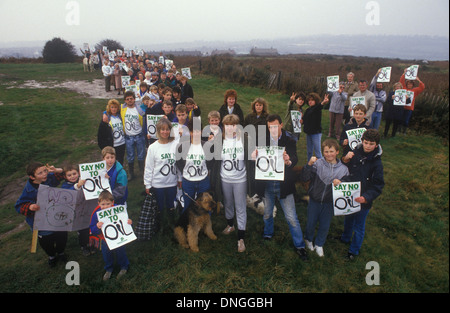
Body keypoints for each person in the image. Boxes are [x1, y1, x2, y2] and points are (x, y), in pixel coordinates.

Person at [252, 114, 308, 261]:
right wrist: (254, 156)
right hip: (267, 184)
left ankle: (300, 245)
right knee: (267, 213)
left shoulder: (289, 140)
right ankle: (268, 233)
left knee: (291, 217)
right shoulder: (262, 139)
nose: (273, 129)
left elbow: (294, 158)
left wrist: (288, 160)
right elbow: (257, 160)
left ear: (281, 125)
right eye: (270, 127)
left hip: (284, 184)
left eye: (275, 126)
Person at [299, 139, 349, 257]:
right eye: (326, 151)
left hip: (329, 202)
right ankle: (308, 239)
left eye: (331, 151)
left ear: (337, 152)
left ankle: (319, 244)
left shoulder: (344, 169)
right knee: (311, 222)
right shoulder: (317, 164)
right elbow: (304, 177)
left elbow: (347, 186)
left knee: (325, 225)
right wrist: (309, 165)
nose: (329, 154)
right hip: (314, 200)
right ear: (322, 152)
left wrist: (341, 182)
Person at [340, 129, 385, 260]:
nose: (368, 146)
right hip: (350, 195)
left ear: (376, 145)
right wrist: (345, 159)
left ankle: (353, 251)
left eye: (371, 144)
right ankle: (345, 238)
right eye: (366, 142)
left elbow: (378, 185)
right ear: (362, 141)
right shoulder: (355, 153)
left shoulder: (377, 163)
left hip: (364, 200)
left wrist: (366, 197)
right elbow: (343, 166)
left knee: (359, 226)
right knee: (348, 218)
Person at [15, 162, 68, 267]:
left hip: (56, 215)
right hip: (41, 222)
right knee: (46, 241)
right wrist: (30, 206)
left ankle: (61, 252)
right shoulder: (29, 190)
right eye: (40, 173)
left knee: (62, 235)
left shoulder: (48, 178)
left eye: (45, 171)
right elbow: (19, 206)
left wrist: (57, 170)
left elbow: (66, 174)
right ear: (32, 177)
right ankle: (52, 255)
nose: (44, 174)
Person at [212, 114, 249, 252]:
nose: (229, 128)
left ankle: (241, 238)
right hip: (225, 178)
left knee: (240, 207)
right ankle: (230, 225)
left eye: (232, 125)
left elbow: (252, 156)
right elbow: (212, 157)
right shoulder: (219, 140)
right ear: (223, 126)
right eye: (226, 125)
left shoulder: (245, 140)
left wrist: (254, 154)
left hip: (240, 179)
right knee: (227, 203)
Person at [89, 190, 131, 281]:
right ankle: (109, 268)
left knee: (121, 251)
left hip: (119, 237)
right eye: (103, 204)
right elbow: (92, 229)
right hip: (105, 239)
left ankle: (124, 266)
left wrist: (129, 222)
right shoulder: (96, 214)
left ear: (112, 202)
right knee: (106, 254)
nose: (105, 206)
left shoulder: (118, 209)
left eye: (108, 204)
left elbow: (125, 221)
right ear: (98, 203)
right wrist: (97, 226)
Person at [176, 118, 213, 213]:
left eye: (198, 131)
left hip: (203, 181)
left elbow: (209, 162)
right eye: (193, 131)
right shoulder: (182, 146)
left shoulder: (206, 146)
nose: (195, 134)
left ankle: (206, 225)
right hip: (188, 181)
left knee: (206, 206)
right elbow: (179, 162)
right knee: (188, 207)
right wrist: (184, 173)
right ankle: (187, 225)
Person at [144, 118, 180, 214]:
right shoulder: (153, 147)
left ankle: (170, 223)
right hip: (158, 184)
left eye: (167, 129)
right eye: (162, 129)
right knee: (159, 208)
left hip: (172, 182)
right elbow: (148, 167)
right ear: (159, 131)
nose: (165, 132)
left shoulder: (176, 145)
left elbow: (179, 165)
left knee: (171, 206)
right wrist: (148, 184)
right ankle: (159, 224)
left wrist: (179, 178)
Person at [60, 164, 91, 256]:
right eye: (69, 175)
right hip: (76, 212)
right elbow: (66, 195)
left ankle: (92, 243)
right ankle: (84, 245)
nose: (72, 176)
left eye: (74, 173)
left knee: (91, 227)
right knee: (82, 230)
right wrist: (77, 186)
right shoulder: (65, 186)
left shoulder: (84, 180)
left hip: (88, 208)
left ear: (79, 173)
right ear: (65, 177)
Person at [244, 97, 269, 198]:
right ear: (254, 106)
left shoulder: (267, 117)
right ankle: (251, 190)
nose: (258, 107)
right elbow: (245, 130)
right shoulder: (249, 117)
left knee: (261, 167)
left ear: (263, 106)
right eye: (257, 105)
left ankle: (261, 192)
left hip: (263, 145)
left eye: (260, 105)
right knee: (251, 168)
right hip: (251, 145)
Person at [121, 91, 146, 180]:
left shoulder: (139, 108)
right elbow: (109, 110)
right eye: (127, 99)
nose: (130, 100)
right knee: (130, 156)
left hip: (139, 135)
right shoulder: (122, 109)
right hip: (128, 137)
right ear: (125, 101)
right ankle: (131, 174)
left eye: (131, 98)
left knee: (141, 155)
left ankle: (142, 172)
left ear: (134, 99)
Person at [98, 99, 126, 166]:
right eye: (112, 107)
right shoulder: (106, 118)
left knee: (120, 160)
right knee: (112, 162)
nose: (114, 109)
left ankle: (119, 174)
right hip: (113, 145)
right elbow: (101, 134)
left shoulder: (120, 116)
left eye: (115, 107)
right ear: (109, 108)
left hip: (122, 143)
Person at [302, 92, 328, 161]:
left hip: (316, 133)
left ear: (315, 101)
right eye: (309, 100)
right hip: (308, 133)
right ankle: (309, 166)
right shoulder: (307, 110)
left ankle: (321, 167)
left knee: (318, 152)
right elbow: (304, 120)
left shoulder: (317, 109)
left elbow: (319, 106)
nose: (310, 102)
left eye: (312, 100)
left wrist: (323, 102)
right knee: (309, 151)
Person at [400, 68, 425, 134]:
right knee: (400, 119)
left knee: (406, 120)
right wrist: (404, 73)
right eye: (408, 84)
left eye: (410, 84)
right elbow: (401, 81)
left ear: (413, 85)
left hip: (409, 108)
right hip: (402, 106)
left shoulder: (415, 91)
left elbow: (422, 87)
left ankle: (404, 131)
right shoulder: (404, 88)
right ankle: (398, 130)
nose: (409, 85)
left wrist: (418, 80)